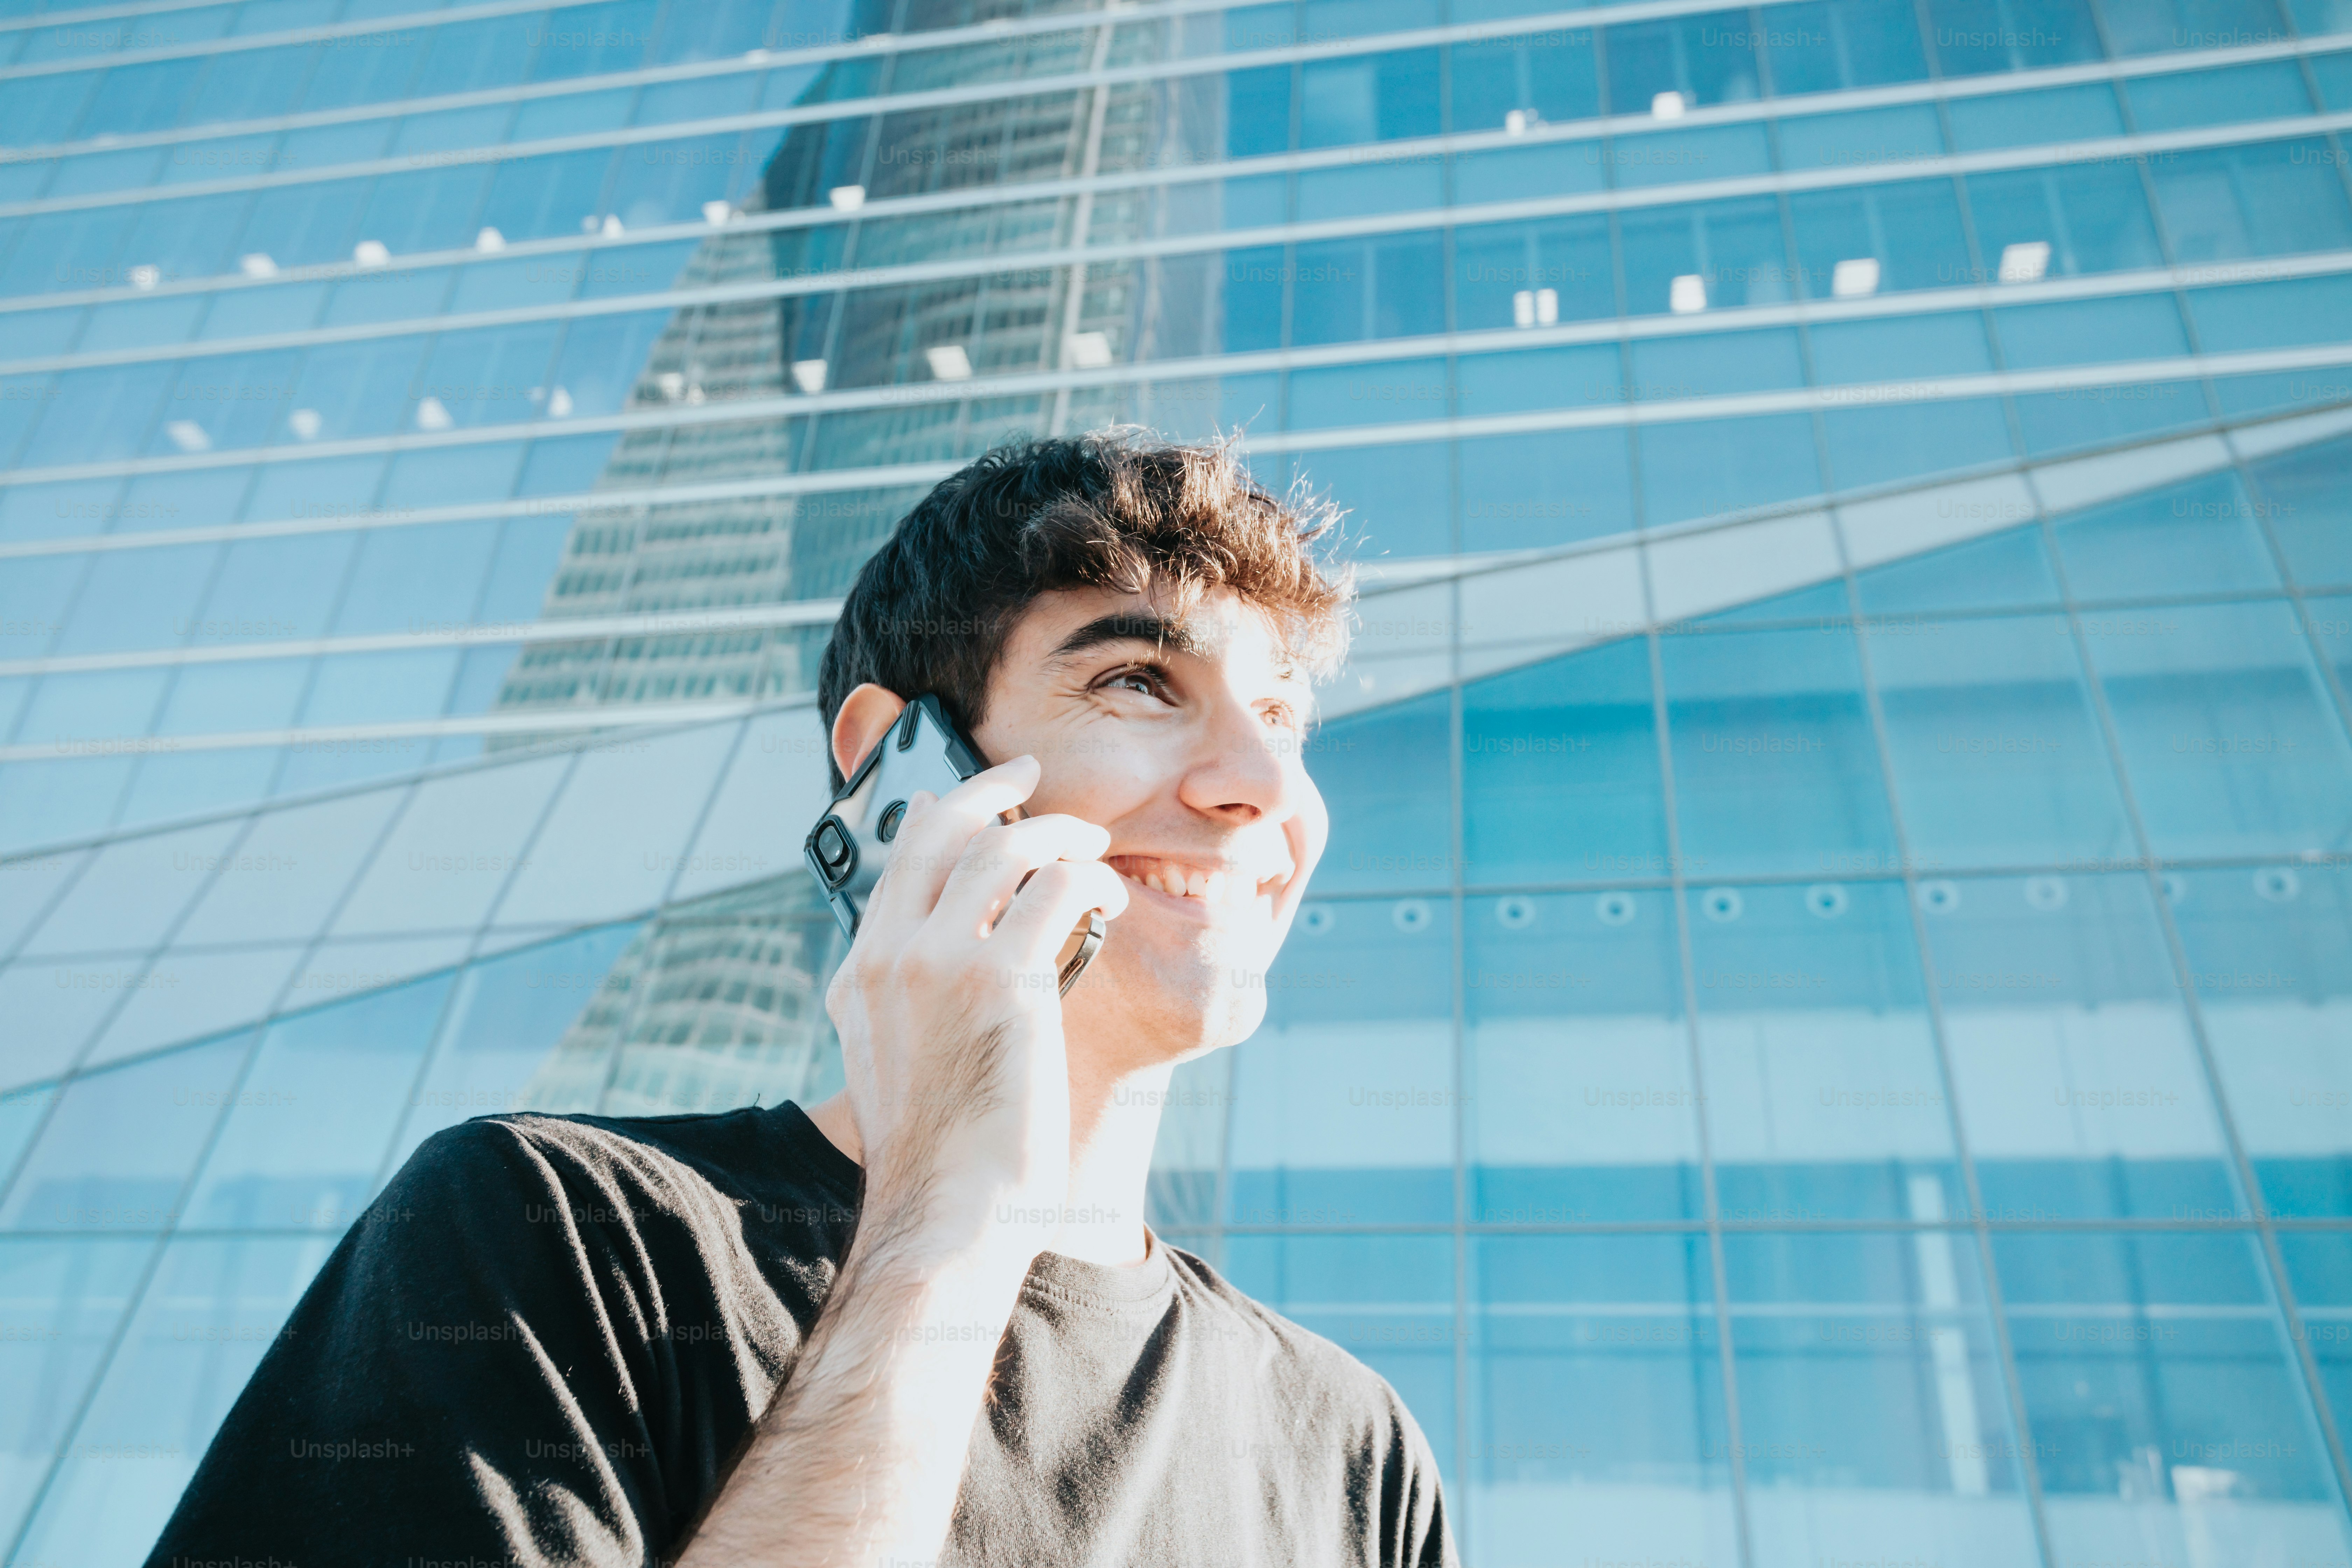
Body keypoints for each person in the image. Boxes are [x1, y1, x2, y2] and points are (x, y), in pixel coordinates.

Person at [146, 431, 1458, 1568]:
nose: (1263, 788)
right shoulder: (550, 1236)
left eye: (1284, 717)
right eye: (1138, 683)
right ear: (900, 765)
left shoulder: (1356, 1453)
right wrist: (946, 1222)